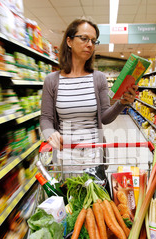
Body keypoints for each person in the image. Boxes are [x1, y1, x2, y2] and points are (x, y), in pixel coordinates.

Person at [40, 17, 138, 169]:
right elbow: (46, 118)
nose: (90, 44)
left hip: (94, 155)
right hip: (65, 156)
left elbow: (104, 117)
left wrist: (122, 103)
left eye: (94, 40)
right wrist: (50, 134)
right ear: (69, 41)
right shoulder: (52, 80)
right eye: (84, 38)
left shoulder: (98, 78)